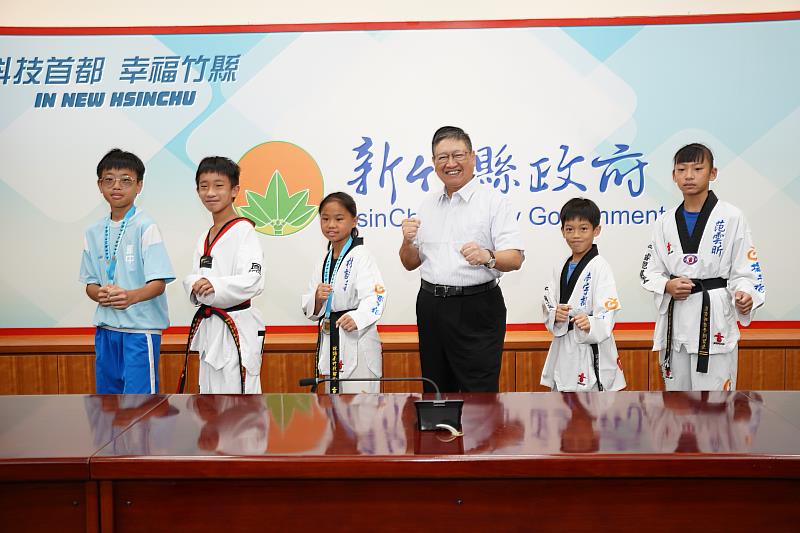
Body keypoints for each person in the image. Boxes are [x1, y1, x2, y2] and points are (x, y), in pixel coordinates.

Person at [399, 126, 524, 393]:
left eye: (458, 155)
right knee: (436, 391)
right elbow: (410, 263)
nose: (451, 163)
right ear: (433, 162)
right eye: (442, 157)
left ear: (473, 157)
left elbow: (515, 258)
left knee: (478, 396)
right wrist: (407, 242)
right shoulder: (427, 205)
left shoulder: (493, 202)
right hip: (431, 306)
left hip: (476, 307)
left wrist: (488, 256)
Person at [640, 143, 765, 391]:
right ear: (674, 176)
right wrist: (667, 285)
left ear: (712, 173)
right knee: (676, 402)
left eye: (697, 169)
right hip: (676, 319)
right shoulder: (664, 221)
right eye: (682, 169)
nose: (689, 175)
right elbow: (649, 271)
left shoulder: (731, 217)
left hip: (714, 316)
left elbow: (745, 270)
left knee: (716, 402)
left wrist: (745, 295)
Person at [80, 148, 175, 394]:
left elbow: (159, 283)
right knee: (107, 403)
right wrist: (99, 294)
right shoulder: (93, 231)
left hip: (140, 331)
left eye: (126, 180)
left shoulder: (146, 226)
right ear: (100, 185)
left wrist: (130, 297)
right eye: (109, 180)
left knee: (140, 403)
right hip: (106, 330)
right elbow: (90, 284)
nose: (116, 186)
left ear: (139, 186)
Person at [183, 156, 265, 394]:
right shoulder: (205, 236)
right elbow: (195, 276)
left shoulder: (244, 231)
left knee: (237, 400)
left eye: (218, 186)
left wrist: (214, 286)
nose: (210, 192)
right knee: (210, 398)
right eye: (204, 186)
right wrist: (196, 284)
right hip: (211, 327)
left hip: (236, 325)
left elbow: (253, 280)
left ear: (234, 190)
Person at [301, 192, 386, 393]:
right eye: (325, 219)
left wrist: (358, 317)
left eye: (339, 219)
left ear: (354, 221)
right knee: (333, 404)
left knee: (360, 404)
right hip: (331, 336)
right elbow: (311, 308)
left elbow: (377, 294)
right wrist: (317, 298)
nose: (331, 225)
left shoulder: (362, 256)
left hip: (357, 337)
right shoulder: (323, 260)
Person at [541, 198, 625, 392]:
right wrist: (555, 314)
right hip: (565, 344)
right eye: (570, 229)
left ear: (596, 230)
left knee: (593, 403)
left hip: (590, 345)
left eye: (583, 229)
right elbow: (548, 300)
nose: (576, 235)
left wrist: (592, 322)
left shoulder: (600, 266)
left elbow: (610, 307)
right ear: (562, 231)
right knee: (563, 400)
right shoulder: (560, 266)